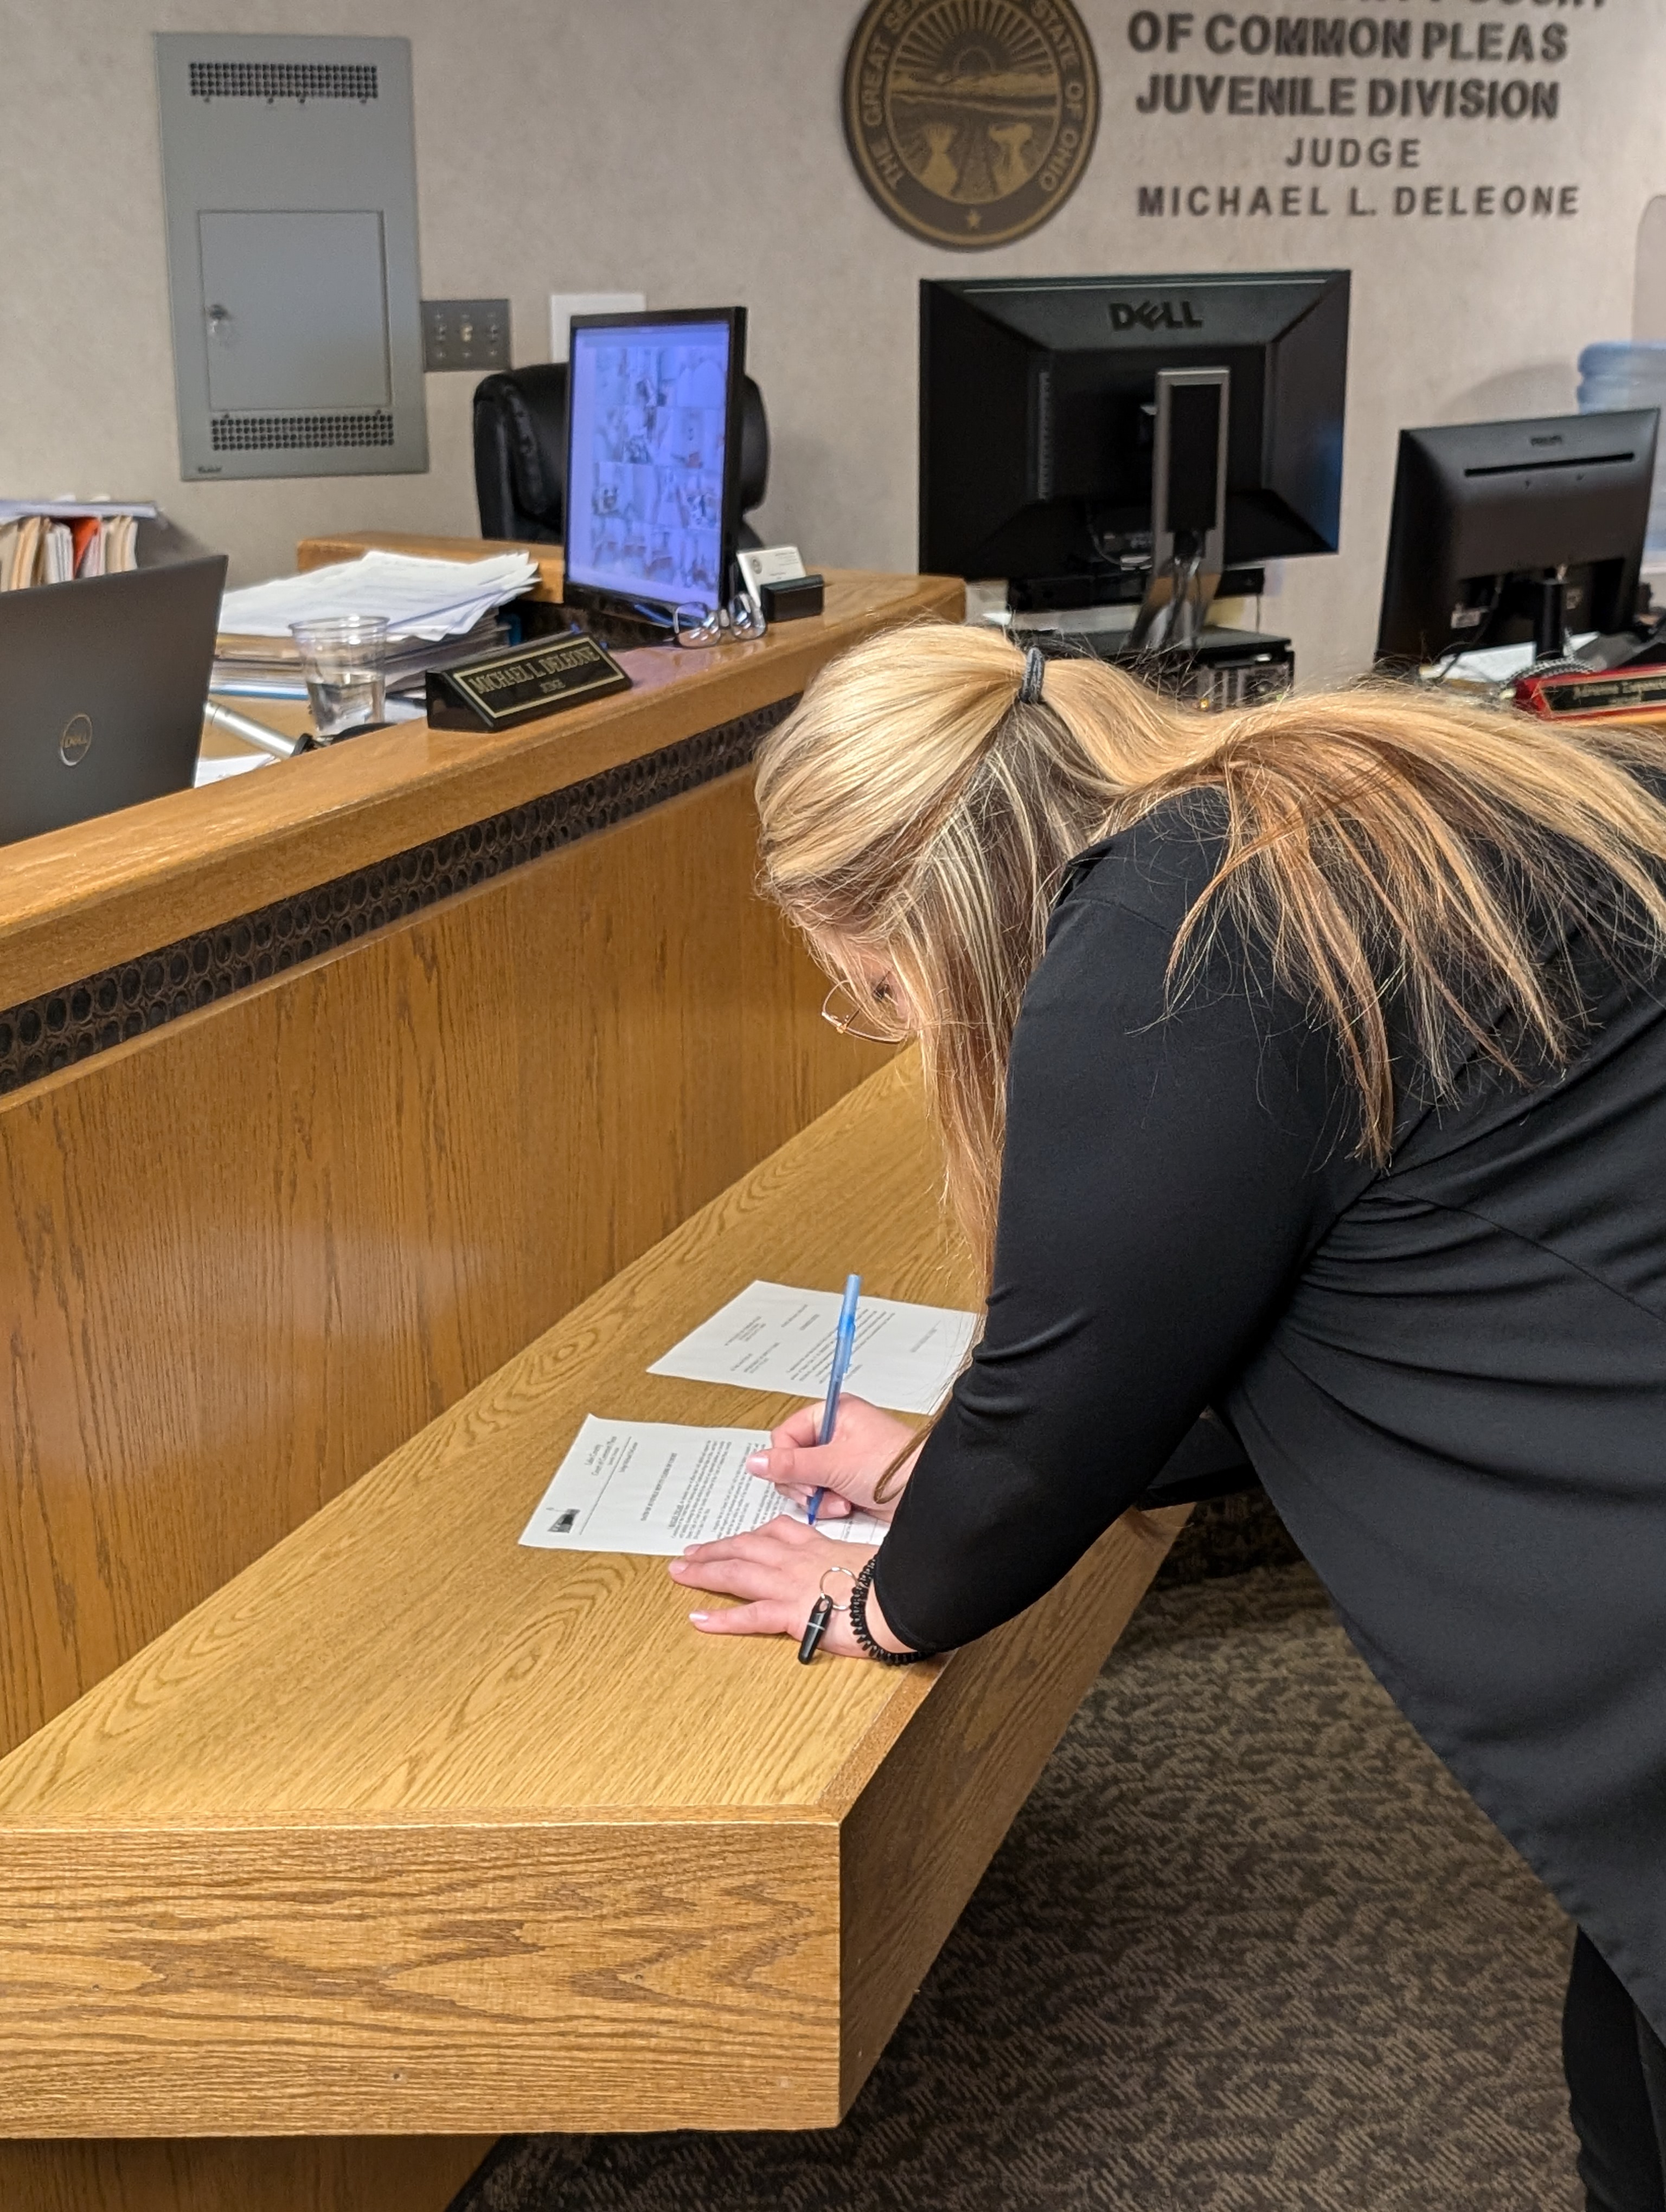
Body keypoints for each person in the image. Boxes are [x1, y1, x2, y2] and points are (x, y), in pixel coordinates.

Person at [666, 622, 1666, 2199]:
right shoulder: (1330, 797)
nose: (910, 1032)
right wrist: (933, 1468)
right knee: (1628, 2043)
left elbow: (1069, 1388)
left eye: (878, 992)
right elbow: (1254, 1300)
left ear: (933, 907)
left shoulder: (1158, 944)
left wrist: (882, 1602)